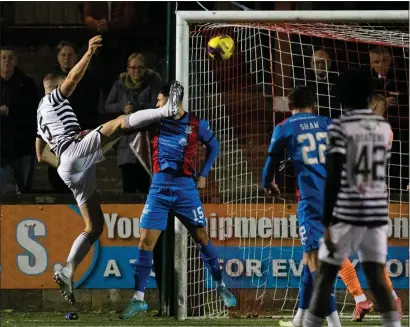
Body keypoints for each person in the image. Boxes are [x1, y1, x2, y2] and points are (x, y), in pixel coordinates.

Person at [36, 35, 179, 305]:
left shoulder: (40, 115)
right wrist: (88, 53)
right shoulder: (53, 99)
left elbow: (41, 154)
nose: (68, 91)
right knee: (120, 122)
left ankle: (68, 268)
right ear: (52, 86)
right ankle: (166, 111)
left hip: (68, 167)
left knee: (95, 226)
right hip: (73, 155)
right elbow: (71, 81)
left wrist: (70, 164)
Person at [119, 82, 236, 320]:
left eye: (159, 100)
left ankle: (221, 286)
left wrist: (203, 174)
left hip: (185, 189)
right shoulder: (156, 121)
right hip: (159, 188)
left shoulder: (195, 123)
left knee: (202, 238)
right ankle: (138, 299)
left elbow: (214, 145)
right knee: (144, 243)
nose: (157, 105)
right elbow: (129, 124)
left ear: (173, 100)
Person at [303, 69, 401, 327]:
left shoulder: (340, 127)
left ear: (343, 98)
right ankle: (389, 314)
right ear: (369, 100)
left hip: (347, 207)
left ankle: (350, 303)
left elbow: (334, 175)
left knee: (324, 275)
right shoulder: (384, 129)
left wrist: (326, 219)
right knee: (376, 274)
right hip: (376, 207)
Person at [262, 86, 340, 327]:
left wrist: (268, 183)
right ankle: (299, 319)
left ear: (289, 105)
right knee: (310, 261)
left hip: (312, 201)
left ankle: (335, 323)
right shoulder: (328, 122)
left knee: (316, 263)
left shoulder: (284, 127)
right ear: (314, 104)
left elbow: (271, 162)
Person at [47, 40, 101, 193]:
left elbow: (92, 106)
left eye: (70, 55)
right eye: (63, 55)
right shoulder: (50, 79)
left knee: (83, 181)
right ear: (57, 57)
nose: (66, 58)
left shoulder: (89, 79)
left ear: (76, 57)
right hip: (58, 138)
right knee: (58, 180)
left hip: (82, 136)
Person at [105, 52, 162, 193]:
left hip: (145, 140)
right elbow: (107, 105)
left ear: (145, 68)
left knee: (144, 185)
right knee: (128, 184)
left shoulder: (153, 83)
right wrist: (122, 108)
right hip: (126, 141)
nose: (136, 71)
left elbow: (157, 106)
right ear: (127, 69)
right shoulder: (119, 85)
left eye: (140, 67)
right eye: (133, 67)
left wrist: (138, 109)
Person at [0, 46, 38, 195]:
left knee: (24, 191)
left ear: (16, 61)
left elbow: (33, 109)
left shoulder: (26, 84)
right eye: (3, 57)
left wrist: (11, 110)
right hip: (1, 147)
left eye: (10, 58)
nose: (7, 61)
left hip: (22, 145)